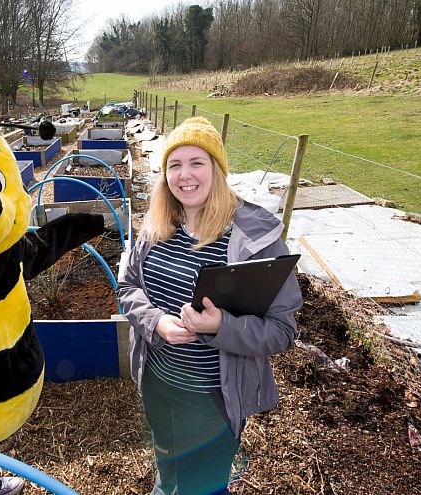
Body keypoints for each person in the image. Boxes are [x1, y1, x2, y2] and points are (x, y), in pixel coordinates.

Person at [117, 116, 303, 495]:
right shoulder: (157, 226)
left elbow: (283, 331)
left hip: (213, 404)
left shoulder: (255, 240)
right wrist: (156, 322)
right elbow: (128, 287)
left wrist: (221, 328)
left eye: (197, 162)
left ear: (217, 169)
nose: (185, 175)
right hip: (157, 383)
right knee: (166, 460)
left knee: (204, 485)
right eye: (174, 164)